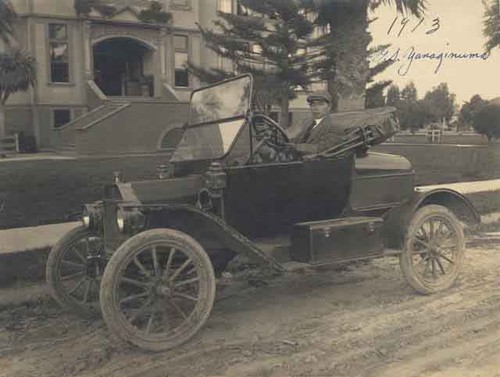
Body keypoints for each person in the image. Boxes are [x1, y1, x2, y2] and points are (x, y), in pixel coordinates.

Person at [288, 91, 350, 155]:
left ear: (329, 107)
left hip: (318, 162)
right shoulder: (307, 123)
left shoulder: (335, 126)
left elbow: (321, 148)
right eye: (312, 104)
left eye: (320, 104)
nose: (316, 108)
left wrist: (295, 147)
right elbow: (295, 139)